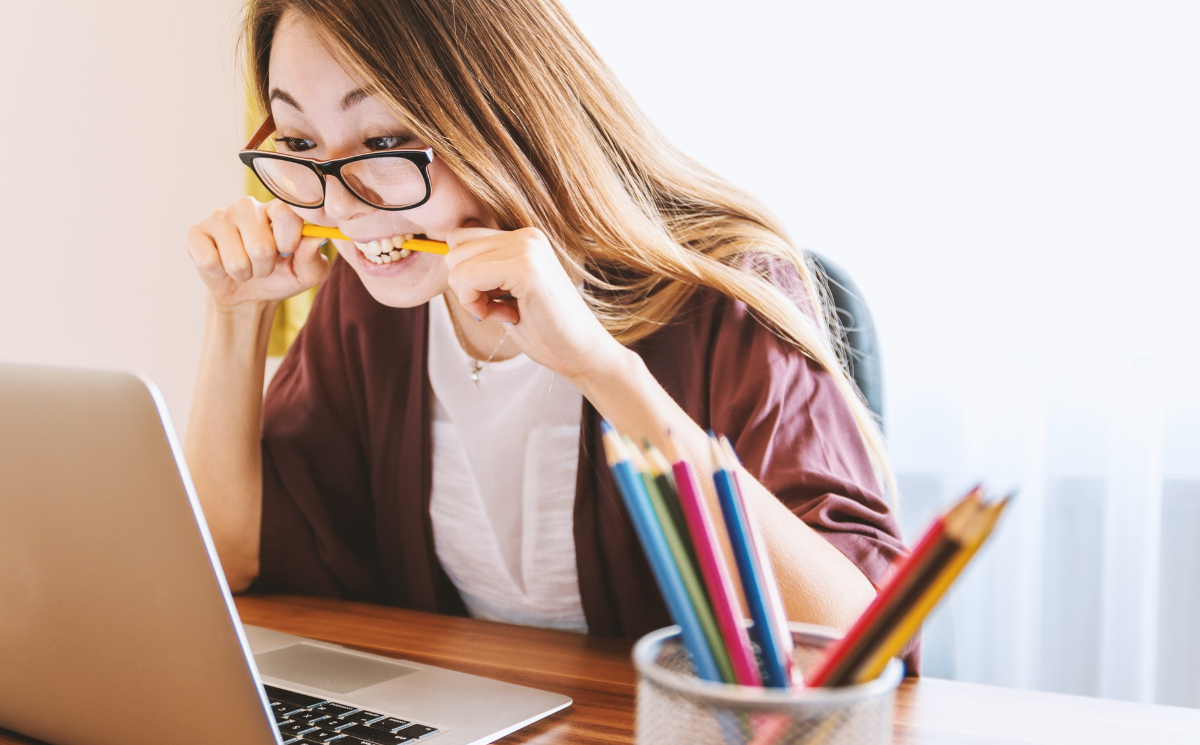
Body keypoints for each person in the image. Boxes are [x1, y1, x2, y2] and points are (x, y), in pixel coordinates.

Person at [185, 0, 910, 649]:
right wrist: (236, 314)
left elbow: (858, 640)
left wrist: (602, 368)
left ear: (502, 115)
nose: (341, 208)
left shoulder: (724, 292)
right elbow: (229, 556)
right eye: (302, 144)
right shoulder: (373, 302)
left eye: (383, 142)